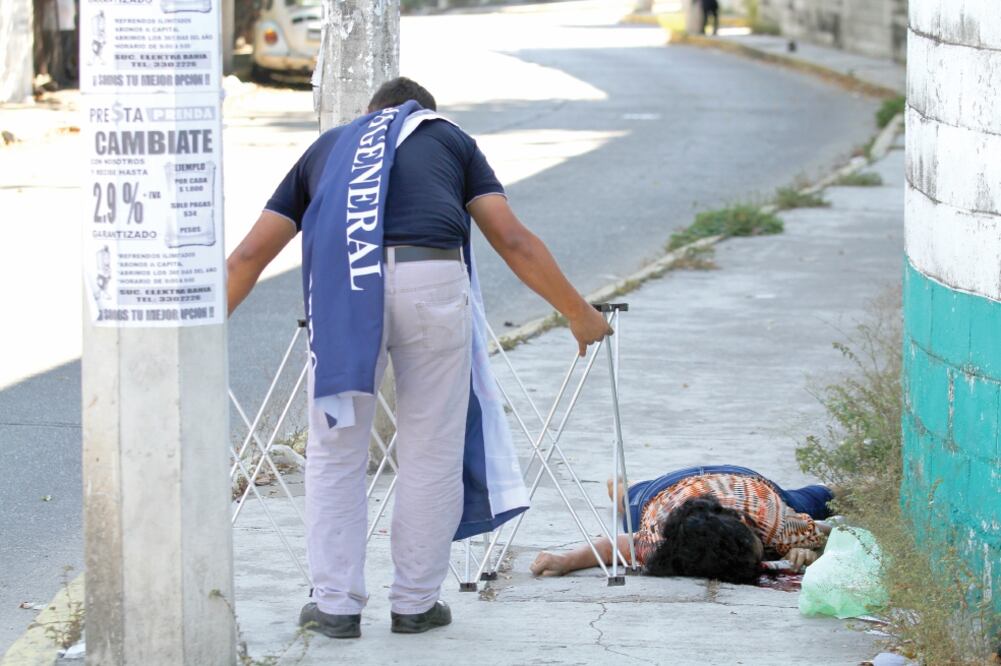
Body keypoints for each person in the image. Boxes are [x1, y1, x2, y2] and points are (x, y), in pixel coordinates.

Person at [226, 77, 612, 639]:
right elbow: (512, 239)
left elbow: (248, 256)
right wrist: (578, 312)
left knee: (336, 451)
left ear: (368, 115)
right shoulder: (450, 139)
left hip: (344, 292)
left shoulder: (331, 146)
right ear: (425, 115)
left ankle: (335, 606)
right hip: (431, 278)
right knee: (431, 449)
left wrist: (197, 338)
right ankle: (414, 604)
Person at [530, 465, 833, 583]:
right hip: (664, 492)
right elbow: (610, 548)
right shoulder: (660, 539)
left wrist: (808, 549)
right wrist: (565, 560)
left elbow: (825, 532)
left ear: (746, 526)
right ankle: (625, 488)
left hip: (744, 481)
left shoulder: (775, 521)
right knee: (631, 506)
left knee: (816, 500)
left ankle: (834, 487)